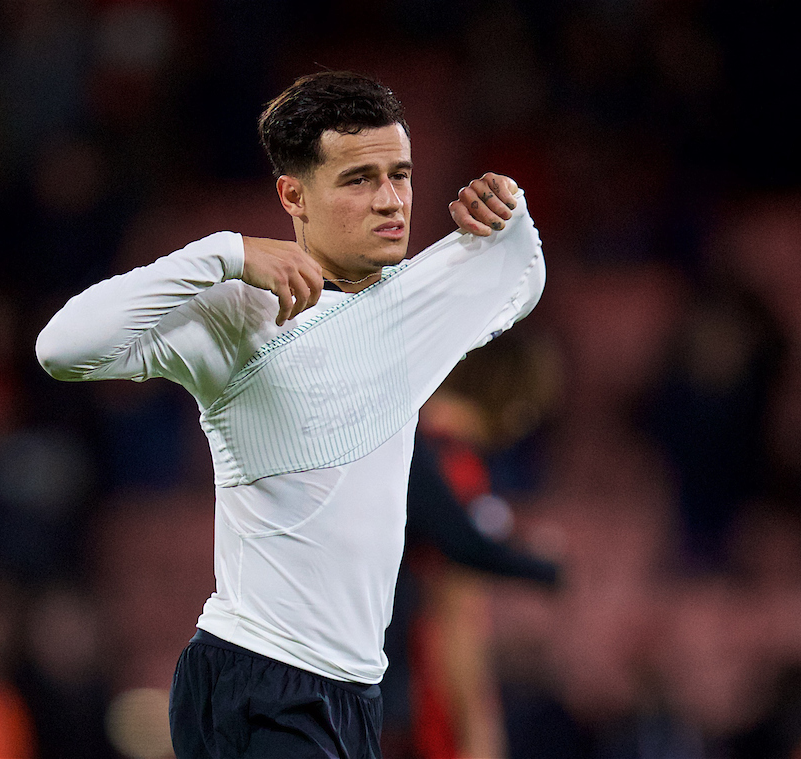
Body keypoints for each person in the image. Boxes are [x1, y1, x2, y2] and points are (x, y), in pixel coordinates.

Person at [35, 71, 545, 759]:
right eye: (359, 179)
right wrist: (223, 254)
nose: (391, 200)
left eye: (401, 174)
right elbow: (63, 347)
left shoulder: (419, 301)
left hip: (351, 693)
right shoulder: (239, 312)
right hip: (260, 678)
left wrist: (510, 213)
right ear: (293, 196)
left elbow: (519, 278)